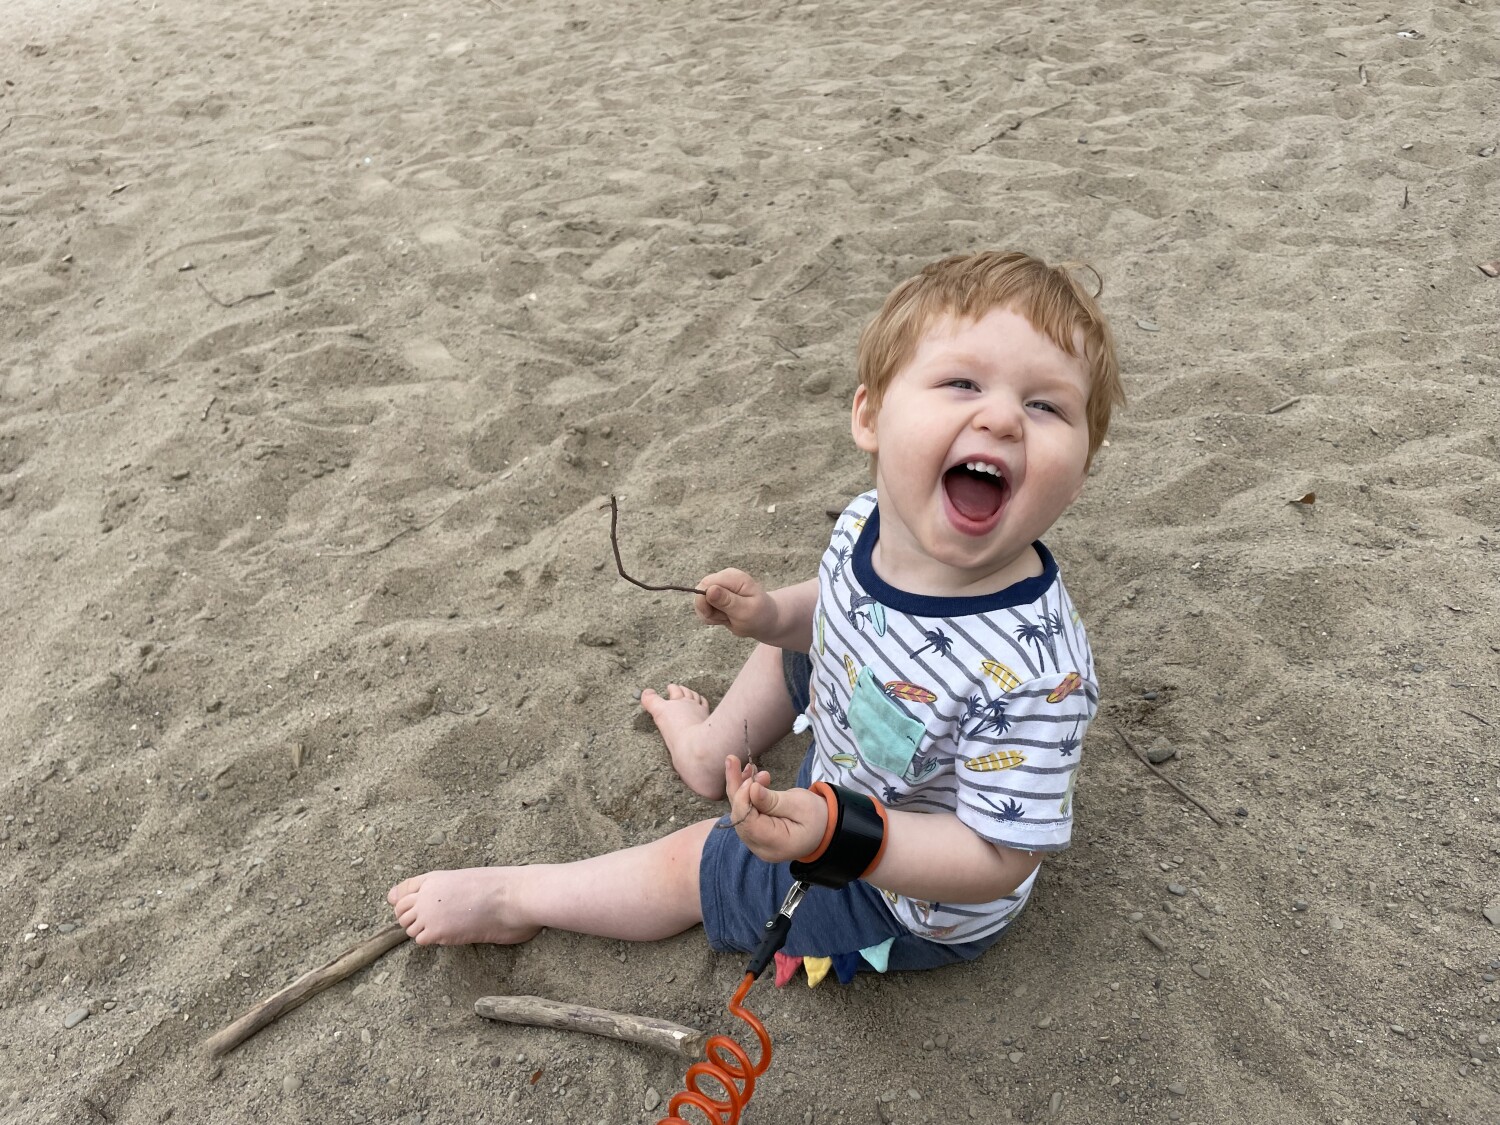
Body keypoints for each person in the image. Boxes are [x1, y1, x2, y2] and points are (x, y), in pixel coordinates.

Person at [388, 250, 1124, 981]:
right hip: (869, 726)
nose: (1000, 417)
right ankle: (710, 751)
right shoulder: (872, 518)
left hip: (899, 890)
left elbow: (998, 859)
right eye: (962, 382)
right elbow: (837, 609)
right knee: (797, 647)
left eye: (1045, 405)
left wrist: (843, 834)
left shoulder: (1037, 672)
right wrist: (771, 614)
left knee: (691, 863)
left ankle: (517, 897)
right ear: (869, 417)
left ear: (1083, 470)